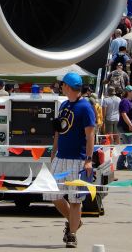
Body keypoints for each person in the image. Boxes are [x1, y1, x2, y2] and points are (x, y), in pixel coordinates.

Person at [43, 72, 95, 248]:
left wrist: (88, 159)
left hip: (77, 159)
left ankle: (72, 233)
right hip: (61, 157)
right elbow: (58, 130)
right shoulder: (64, 105)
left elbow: (90, 135)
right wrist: (54, 149)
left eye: (62, 84)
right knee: (53, 195)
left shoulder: (85, 107)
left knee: (74, 199)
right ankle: (75, 222)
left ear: (68, 86)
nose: (61, 87)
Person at [117, 86, 132, 170]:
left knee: (125, 146)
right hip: (125, 127)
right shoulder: (125, 101)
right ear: (128, 92)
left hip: (126, 126)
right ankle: (131, 165)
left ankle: (120, 164)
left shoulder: (129, 102)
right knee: (129, 145)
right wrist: (130, 124)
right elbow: (123, 114)